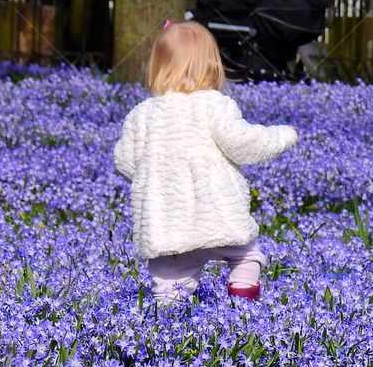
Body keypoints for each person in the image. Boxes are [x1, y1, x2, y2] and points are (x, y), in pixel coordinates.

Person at [113, 19, 298, 305]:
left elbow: (125, 162)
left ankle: (167, 332)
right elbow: (244, 145)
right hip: (218, 219)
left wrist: (154, 177)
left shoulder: (142, 114)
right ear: (212, 66)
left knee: (169, 281)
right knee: (247, 256)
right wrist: (283, 135)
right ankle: (242, 299)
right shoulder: (215, 105)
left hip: (166, 225)